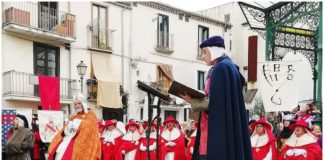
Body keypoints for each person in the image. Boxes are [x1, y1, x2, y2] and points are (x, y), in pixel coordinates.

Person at [181, 35, 252, 160]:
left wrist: (192, 100)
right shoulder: (228, 67)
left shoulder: (221, 68)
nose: (202, 56)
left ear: (214, 50)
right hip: (218, 132)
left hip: (214, 136)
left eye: (204, 52)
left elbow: (216, 105)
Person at [48, 93, 101, 160]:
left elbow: (91, 128)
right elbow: (64, 132)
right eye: (75, 104)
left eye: (79, 103)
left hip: (83, 144)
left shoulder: (90, 114)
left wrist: (78, 124)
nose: (77, 106)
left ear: (83, 104)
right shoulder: (73, 116)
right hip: (69, 140)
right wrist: (68, 128)